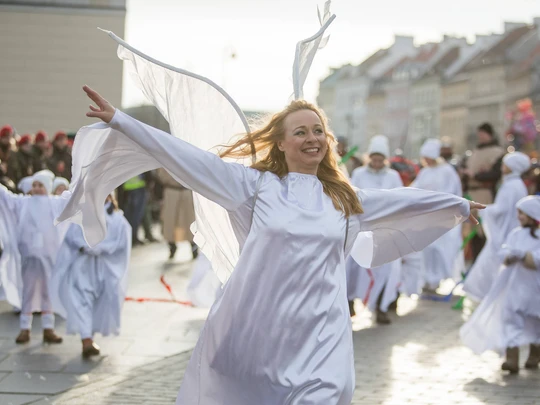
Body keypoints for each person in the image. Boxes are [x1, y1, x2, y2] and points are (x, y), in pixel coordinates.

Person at [58, 84, 483, 405]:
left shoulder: (345, 199)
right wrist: (121, 120)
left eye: (318, 130)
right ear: (280, 143)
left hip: (324, 336)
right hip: (260, 330)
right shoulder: (254, 186)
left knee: (329, 395)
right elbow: (188, 158)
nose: (312, 137)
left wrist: (458, 204)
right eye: (300, 131)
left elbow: (404, 202)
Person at [460, 196, 540, 374]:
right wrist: (510, 255)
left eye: (523, 213)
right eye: (518, 212)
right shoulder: (515, 234)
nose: (519, 216)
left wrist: (527, 256)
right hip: (515, 286)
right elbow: (503, 251)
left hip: (534, 287)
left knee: (535, 322)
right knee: (511, 318)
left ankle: (535, 353)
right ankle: (511, 358)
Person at [51, 195, 131, 357]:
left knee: (101, 302)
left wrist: (102, 248)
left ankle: (90, 335)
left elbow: (121, 244)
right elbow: (71, 237)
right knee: (82, 300)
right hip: (84, 265)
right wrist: (85, 247)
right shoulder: (82, 216)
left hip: (106, 268)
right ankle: (86, 339)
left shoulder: (118, 220)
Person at [0, 172, 69, 344]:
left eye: (40, 185)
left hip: (49, 257)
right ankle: (25, 328)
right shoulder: (24, 202)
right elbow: (6, 198)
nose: (36, 189)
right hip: (29, 257)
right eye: (34, 185)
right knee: (28, 291)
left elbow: (71, 199)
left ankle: (48, 328)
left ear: (47, 187)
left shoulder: (54, 202)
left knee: (48, 292)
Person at [346, 135, 403, 323]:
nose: (377, 163)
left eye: (380, 160)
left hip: (384, 229)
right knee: (352, 267)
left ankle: (380, 307)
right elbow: (352, 196)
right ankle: (349, 303)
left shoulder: (393, 176)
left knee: (384, 269)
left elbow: (400, 199)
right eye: (374, 159)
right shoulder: (360, 174)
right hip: (361, 228)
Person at [463, 152, 530, 301]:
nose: (502, 167)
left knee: (492, 264)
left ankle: (489, 296)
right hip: (505, 231)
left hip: (504, 233)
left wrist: (484, 210)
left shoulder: (512, 186)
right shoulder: (512, 184)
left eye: (505, 164)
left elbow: (502, 209)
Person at [411, 139, 464, 293]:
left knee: (439, 249)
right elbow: (416, 188)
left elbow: (451, 192)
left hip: (442, 217)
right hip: (426, 216)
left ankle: (437, 278)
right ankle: (428, 279)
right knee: (426, 249)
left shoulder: (447, 171)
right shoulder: (425, 171)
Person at [463, 123, 505, 261]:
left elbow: (496, 174)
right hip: (471, 194)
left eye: (483, 134)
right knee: (472, 233)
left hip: (485, 194)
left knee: (484, 231)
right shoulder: (474, 152)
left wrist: (476, 176)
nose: (480, 137)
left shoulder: (497, 152)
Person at [157, 168, 198, 259]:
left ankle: (194, 247)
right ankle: (172, 246)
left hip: (186, 191)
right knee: (169, 221)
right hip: (171, 191)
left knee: (189, 220)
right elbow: (160, 175)